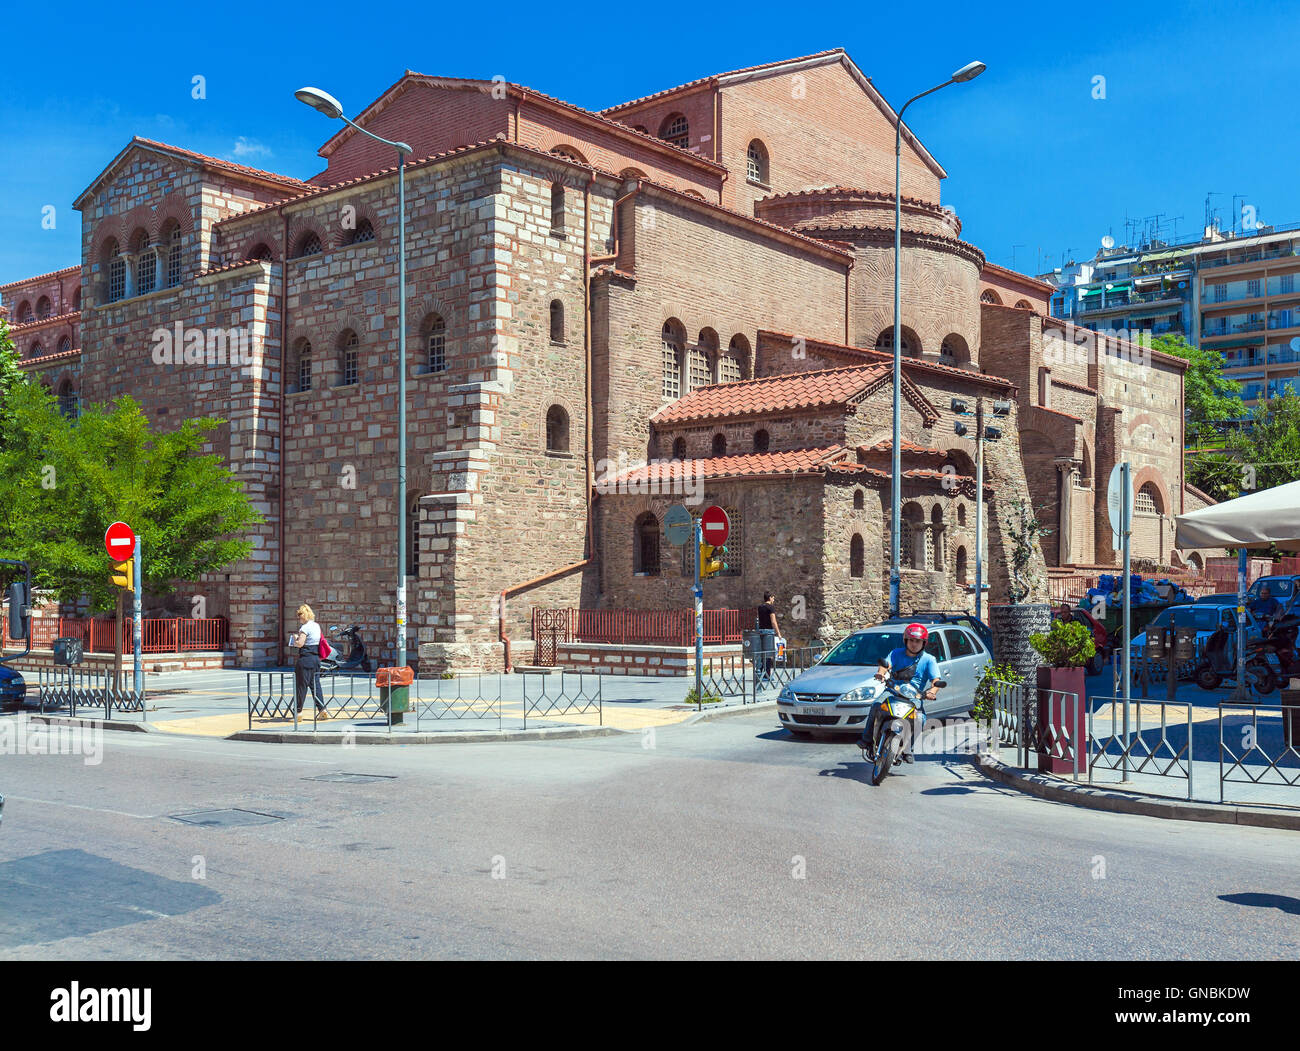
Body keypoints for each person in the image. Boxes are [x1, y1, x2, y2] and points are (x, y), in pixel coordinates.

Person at [860, 622, 942, 764]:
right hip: (893, 691)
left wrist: (932, 691)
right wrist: (880, 673)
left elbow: (936, 680)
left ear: (924, 643)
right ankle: (867, 740)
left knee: (920, 719)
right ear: (906, 640)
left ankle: (908, 749)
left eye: (918, 641)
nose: (914, 644)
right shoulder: (896, 653)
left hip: (914, 696)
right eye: (911, 640)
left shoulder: (929, 660)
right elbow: (885, 665)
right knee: (876, 705)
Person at [289, 603, 329, 718]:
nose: (298, 618)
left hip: (305, 658)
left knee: (301, 685)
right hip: (316, 659)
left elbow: (300, 644)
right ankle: (322, 709)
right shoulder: (316, 625)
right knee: (315, 685)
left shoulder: (304, 628)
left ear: (303, 616)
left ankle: (298, 712)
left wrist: (295, 639)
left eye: (299, 616)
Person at [756, 593, 782, 681]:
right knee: (769, 654)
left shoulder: (760, 607)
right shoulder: (770, 607)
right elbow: (773, 621)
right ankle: (766, 675)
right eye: (773, 598)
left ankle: (761, 672)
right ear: (770, 598)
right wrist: (778, 633)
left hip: (761, 631)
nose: (773, 600)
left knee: (762, 653)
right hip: (768, 632)